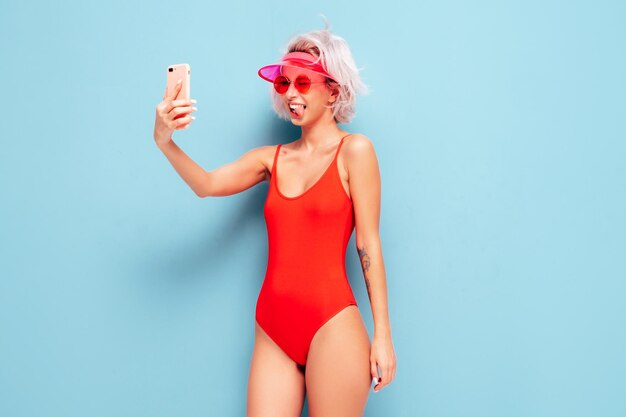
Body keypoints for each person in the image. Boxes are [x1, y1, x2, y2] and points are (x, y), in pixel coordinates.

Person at [153, 23, 396, 417]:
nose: (292, 94)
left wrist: (383, 335)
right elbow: (207, 185)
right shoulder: (272, 159)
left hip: (332, 325)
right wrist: (165, 141)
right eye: (284, 84)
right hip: (272, 327)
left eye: (303, 83)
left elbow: (368, 243)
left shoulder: (356, 152)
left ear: (333, 90)